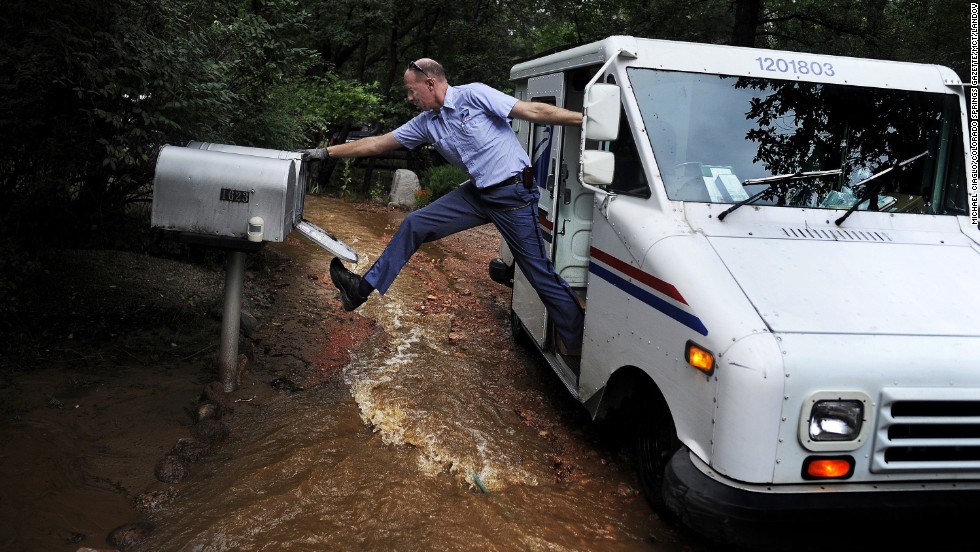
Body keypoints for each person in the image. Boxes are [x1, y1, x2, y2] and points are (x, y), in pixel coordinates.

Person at [301, 58, 584, 355]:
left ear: (430, 83)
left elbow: (533, 111)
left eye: (412, 91)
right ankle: (359, 291)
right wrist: (324, 152)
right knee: (414, 223)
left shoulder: (474, 95)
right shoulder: (427, 123)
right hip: (479, 195)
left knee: (538, 273)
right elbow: (377, 143)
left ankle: (577, 346)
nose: (410, 99)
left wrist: (583, 119)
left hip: (512, 194)